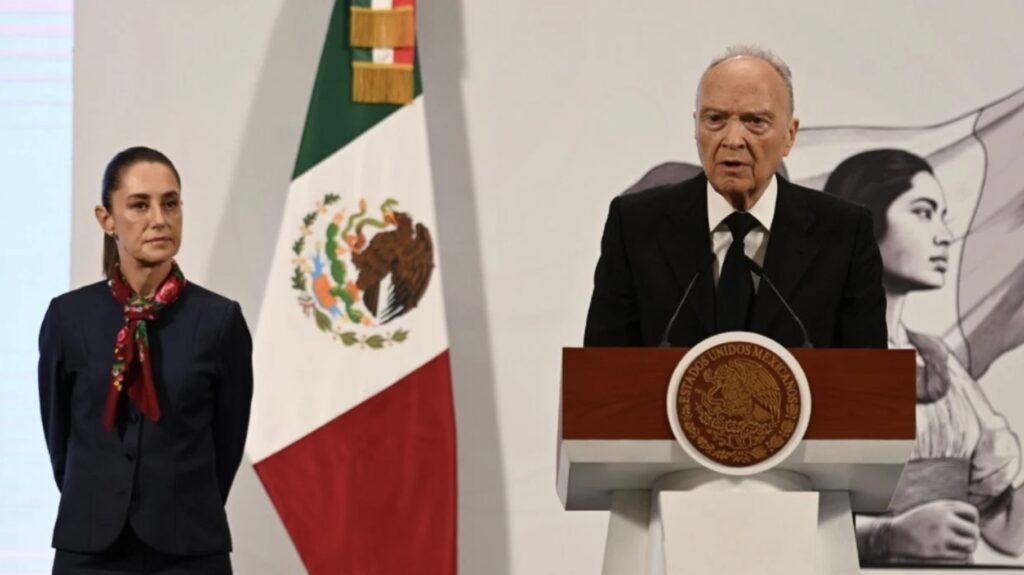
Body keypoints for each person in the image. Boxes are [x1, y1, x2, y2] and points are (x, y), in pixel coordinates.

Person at [38, 146, 253, 574]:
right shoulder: (68, 318)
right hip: (90, 550)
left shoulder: (219, 320)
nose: (159, 219)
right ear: (107, 219)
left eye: (170, 204)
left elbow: (227, 443)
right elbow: (59, 436)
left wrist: (182, 502)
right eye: (140, 205)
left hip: (190, 549)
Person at [584, 45, 886, 348]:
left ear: (790, 135)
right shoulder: (636, 226)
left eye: (755, 121)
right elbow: (601, 367)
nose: (732, 140)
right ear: (696, 128)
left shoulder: (844, 233)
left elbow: (868, 370)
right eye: (715, 119)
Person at [824, 148, 1024, 565]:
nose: (945, 235)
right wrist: (885, 536)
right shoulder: (815, 359)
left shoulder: (939, 362)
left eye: (942, 215)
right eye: (923, 212)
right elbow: (763, 518)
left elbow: (1005, 528)